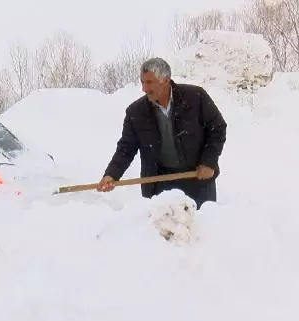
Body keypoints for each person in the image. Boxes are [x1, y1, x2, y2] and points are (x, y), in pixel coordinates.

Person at [97, 57, 227, 209]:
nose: (144, 88)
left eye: (149, 82)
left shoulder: (195, 98)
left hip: (197, 179)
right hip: (159, 183)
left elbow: (217, 128)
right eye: (142, 82)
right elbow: (126, 148)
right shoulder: (136, 112)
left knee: (199, 228)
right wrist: (111, 174)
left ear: (166, 80)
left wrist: (209, 162)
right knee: (163, 229)